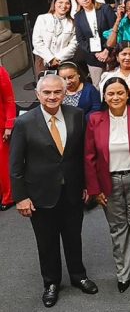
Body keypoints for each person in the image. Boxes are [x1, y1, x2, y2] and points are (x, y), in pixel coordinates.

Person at [10, 75, 98, 307]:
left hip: (72, 190)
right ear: (38, 95)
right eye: (47, 93)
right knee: (46, 242)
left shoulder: (77, 115)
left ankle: (78, 275)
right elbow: (16, 165)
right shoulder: (24, 122)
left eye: (57, 92)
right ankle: (51, 283)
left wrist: (87, 184)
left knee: (73, 237)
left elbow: (82, 155)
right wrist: (21, 197)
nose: (52, 97)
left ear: (65, 93)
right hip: (40, 194)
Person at [85, 77, 130, 292]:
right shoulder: (95, 120)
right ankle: (124, 273)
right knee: (117, 229)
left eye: (120, 93)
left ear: (127, 94)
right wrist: (94, 189)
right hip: (108, 182)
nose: (115, 97)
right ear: (104, 97)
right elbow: (89, 157)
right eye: (111, 93)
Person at [72, 0, 117, 84]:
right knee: (97, 85)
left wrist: (107, 50)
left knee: (113, 84)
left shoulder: (105, 9)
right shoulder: (78, 17)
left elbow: (114, 30)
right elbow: (80, 40)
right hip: (93, 57)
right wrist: (96, 54)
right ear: (77, 1)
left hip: (111, 53)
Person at [33, 0, 78, 78]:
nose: (63, 6)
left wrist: (57, 58)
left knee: (63, 84)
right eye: (60, 2)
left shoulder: (73, 23)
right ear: (54, 4)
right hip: (42, 59)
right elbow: (37, 41)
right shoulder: (42, 18)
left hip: (62, 61)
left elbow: (73, 44)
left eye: (67, 3)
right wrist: (50, 58)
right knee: (44, 84)